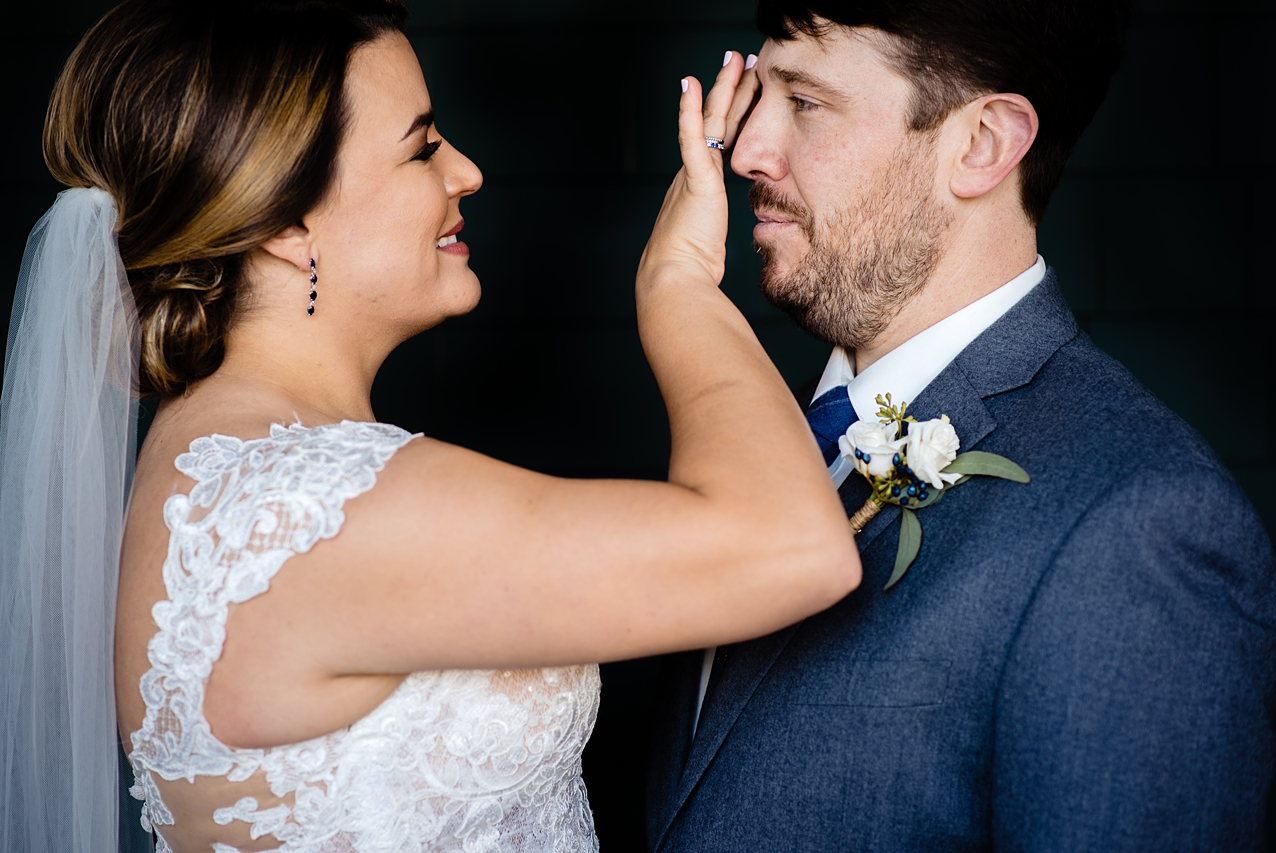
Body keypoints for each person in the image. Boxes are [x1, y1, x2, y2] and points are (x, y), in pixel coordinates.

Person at [0, 2, 862, 851]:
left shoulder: (206, 468)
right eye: (422, 147)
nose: (467, 172)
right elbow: (790, 546)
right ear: (287, 222)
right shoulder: (311, 509)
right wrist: (675, 281)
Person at [646, 1, 1276, 851]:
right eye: (759, 92)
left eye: (804, 103)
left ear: (982, 145)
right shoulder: (751, 434)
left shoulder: (1139, 530)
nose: (747, 150)